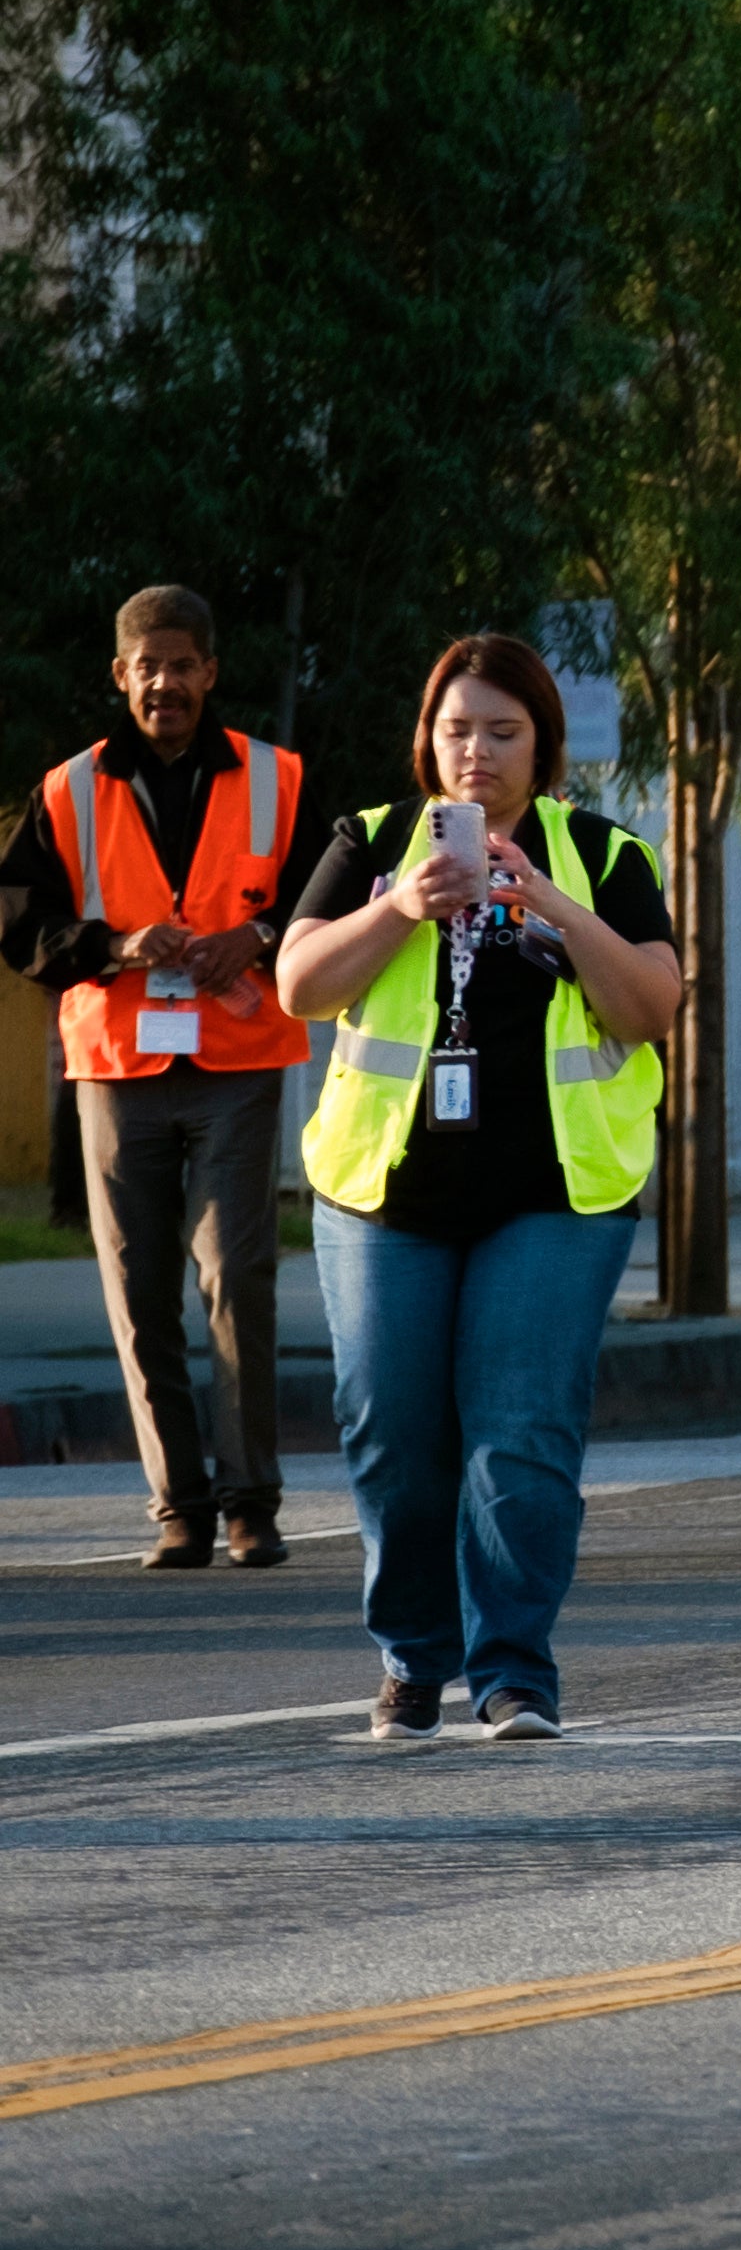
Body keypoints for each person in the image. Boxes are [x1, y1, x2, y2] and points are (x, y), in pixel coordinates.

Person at [269, 637, 678, 1743]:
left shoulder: (601, 853)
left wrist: (554, 908)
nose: (477, 752)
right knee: (391, 1432)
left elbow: (651, 1006)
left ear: (541, 745)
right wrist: (401, 906)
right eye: (458, 730)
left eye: (503, 731)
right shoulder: (372, 843)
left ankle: (513, 1673)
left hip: (555, 1194)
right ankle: (413, 1659)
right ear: (428, 740)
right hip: (381, 1195)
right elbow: (297, 985)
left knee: (521, 1432)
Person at [9, 587, 308, 1570]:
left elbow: (335, 889)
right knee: (139, 1293)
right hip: (116, 1063)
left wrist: (257, 935)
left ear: (211, 671)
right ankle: (178, 1507)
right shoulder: (66, 790)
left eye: (184, 666)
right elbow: (18, 920)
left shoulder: (281, 777)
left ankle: (249, 1505)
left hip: (238, 1062)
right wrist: (112, 944)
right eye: (149, 668)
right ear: (121, 677)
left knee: (235, 1279)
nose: (167, 685)